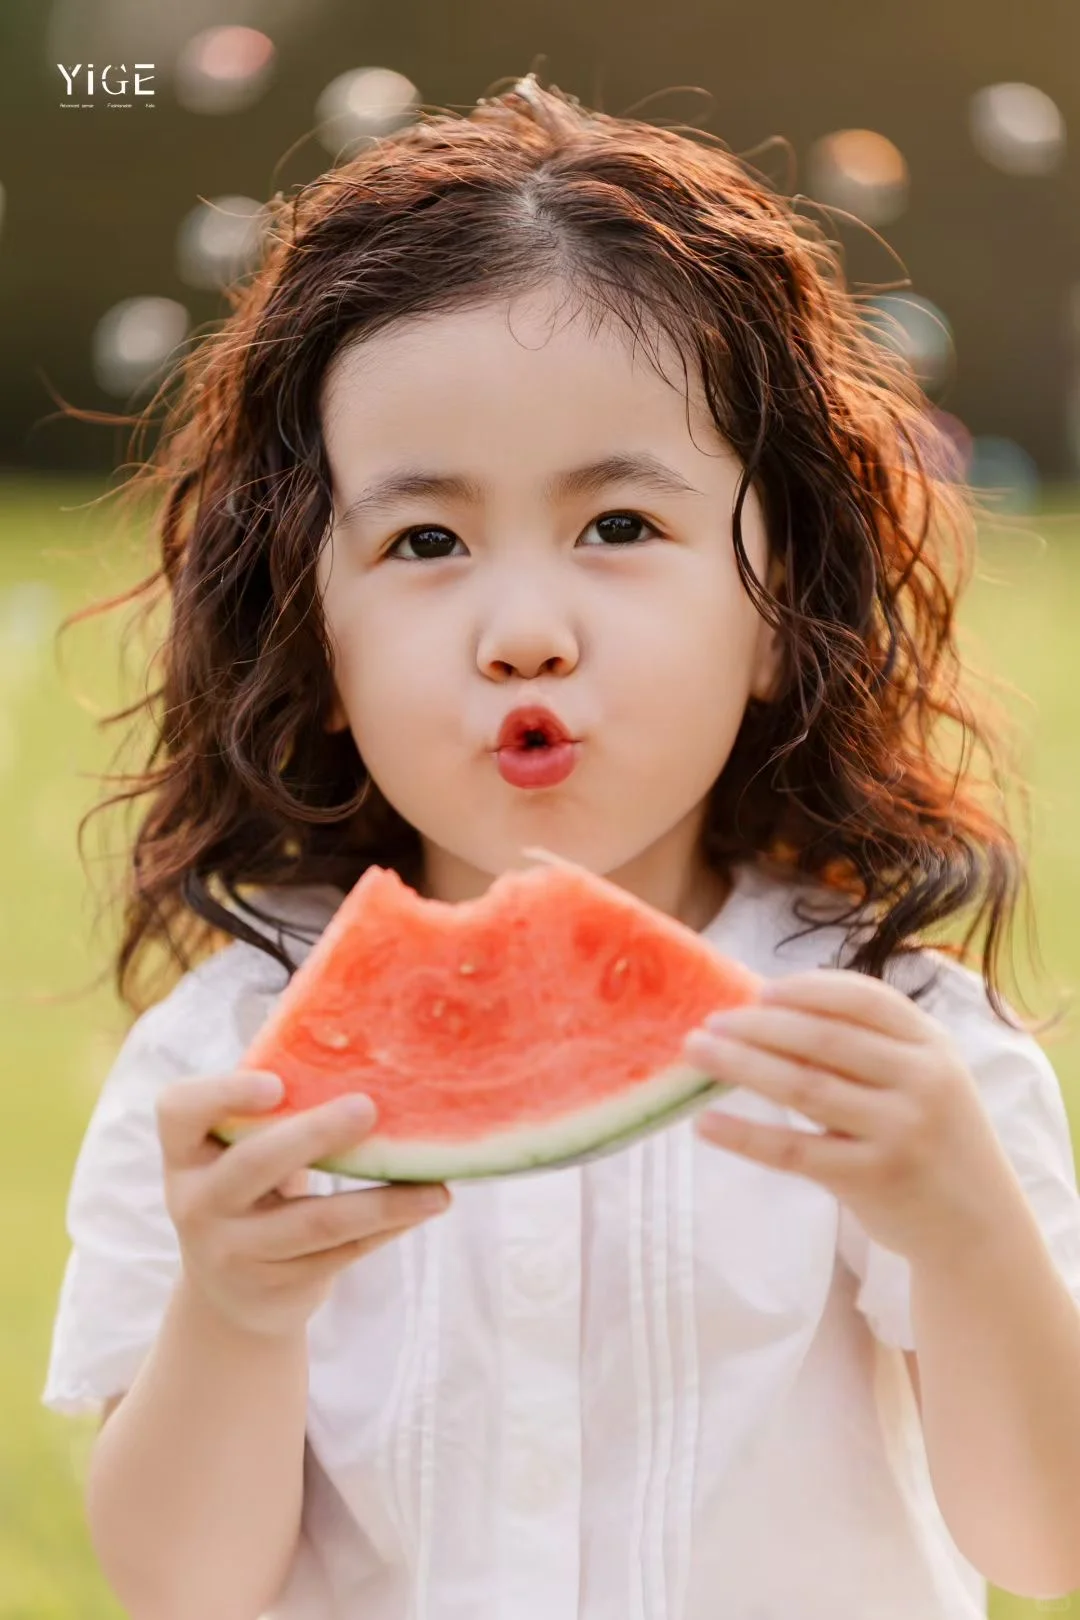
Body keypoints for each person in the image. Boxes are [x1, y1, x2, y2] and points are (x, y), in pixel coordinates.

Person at [40, 72, 1080, 1620]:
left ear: (779, 621)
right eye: (425, 542)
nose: (524, 631)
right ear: (316, 646)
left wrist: (966, 1228)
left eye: (617, 528)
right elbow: (180, 1589)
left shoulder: (905, 1052)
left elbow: (1045, 1547)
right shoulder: (234, 1068)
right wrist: (234, 1313)